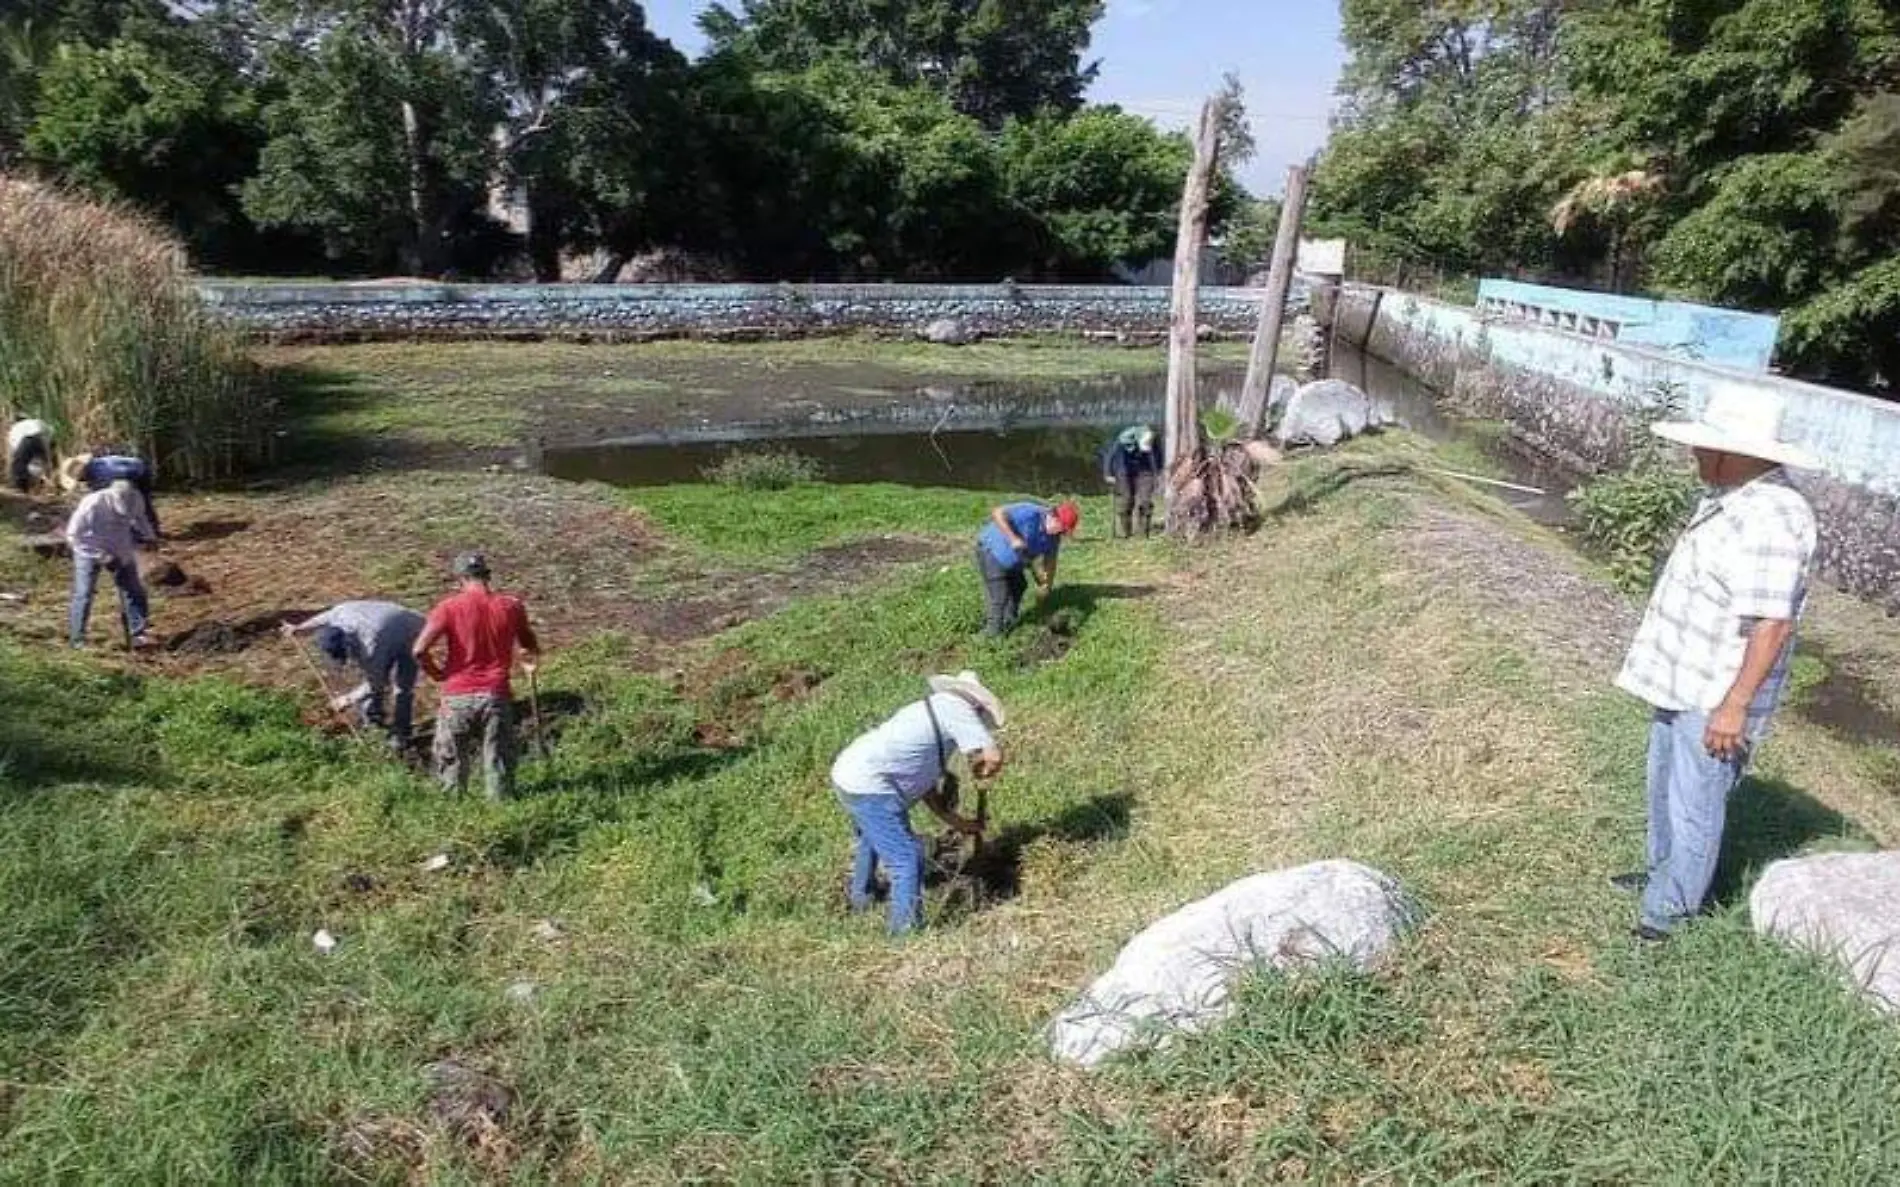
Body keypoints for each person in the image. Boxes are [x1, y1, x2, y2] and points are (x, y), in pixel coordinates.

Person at [1611, 390, 1819, 943]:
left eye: (1704, 446)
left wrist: (1734, 705)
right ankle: (1663, 875)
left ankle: (1668, 914)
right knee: (1663, 784)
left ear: (1736, 453)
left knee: (1695, 802)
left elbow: (1771, 623)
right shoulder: (1730, 496)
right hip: (1683, 672)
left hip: (1715, 690)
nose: (1695, 455)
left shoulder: (1774, 518)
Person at [830, 671, 1005, 935]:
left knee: (873, 835)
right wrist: (984, 769)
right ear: (976, 706)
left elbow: (925, 789)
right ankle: (905, 933)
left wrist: (960, 823)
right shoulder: (957, 709)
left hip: (850, 772)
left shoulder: (929, 714)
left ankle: (862, 897)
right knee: (907, 858)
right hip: (871, 785)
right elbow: (993, 756)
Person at [413, 553, 540, 801]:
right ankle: (501, 814)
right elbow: (528, 644)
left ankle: (454, 814)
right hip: (496, 693)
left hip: (456, 694)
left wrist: (437, 673)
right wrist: (528, 658)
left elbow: (419, 650)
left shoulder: (448, 608)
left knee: (451, 761)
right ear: (488, 577)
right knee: (498, 758)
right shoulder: (511, 606)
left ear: (460, 579)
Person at [282, 600, 427, 750]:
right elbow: (322, 618)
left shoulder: (370, 646)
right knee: (372, 677)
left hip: (411, 631)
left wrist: (347, 699)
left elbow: (376, 683)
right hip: (383, 625)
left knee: (402, 686)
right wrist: (299, 628)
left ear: (348, 644)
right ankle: (373, 723)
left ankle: (401, 733)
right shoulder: (338, 616)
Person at [66, 479, 156, 649]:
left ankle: (138, 633)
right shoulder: (92, 503)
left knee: (134, 590)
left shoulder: (136, 498)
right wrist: (102, 556)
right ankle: (77, 639)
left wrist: (149, 536)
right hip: (89, 550)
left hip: (121, 549)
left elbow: (140, 519)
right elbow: (73, 536)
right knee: (84, 593)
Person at [975, 499, 1079, 636]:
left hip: (1017, 560)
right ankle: (991, 634)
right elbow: (997, 513)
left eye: (1064, 531)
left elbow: (1050, 562)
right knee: (999, 595)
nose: (1061, 532)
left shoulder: (1054, 537)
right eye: (1061, 527)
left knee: (1019, 585)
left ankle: (1008, 620)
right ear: (1054, 517)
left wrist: (1046, 585)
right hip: (992, 551)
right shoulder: (1030, 511)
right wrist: (1013, 538)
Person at [62, 450, 161, 536]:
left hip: (139, 472)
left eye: (79, 479)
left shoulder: (102, 473)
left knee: (142, 503)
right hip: (130, 471)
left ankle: (152, 530)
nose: (80, 481)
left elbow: (125, 476)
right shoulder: (94, 469)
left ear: (82, 474)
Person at [1100, 425, 1164, 539]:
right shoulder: (1123, 439)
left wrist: (1158, 473)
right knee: (1127, 500)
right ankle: (1127, 533)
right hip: (1123, 470)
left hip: (1145, 470)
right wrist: (1108, 473)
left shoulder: (1152, 438)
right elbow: (1110, 456)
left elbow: (1157, 456)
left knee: (1145, 502)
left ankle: (1143, 533)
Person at [8, 418, 54, 494]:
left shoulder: (14, 429)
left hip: (27, 440)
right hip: (39, 438)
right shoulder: (36, 421)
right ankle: (42, 483)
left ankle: (23, 489)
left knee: (19, 467)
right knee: (42, 462)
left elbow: (15, 451)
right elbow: (47, 432)